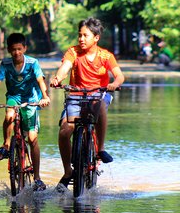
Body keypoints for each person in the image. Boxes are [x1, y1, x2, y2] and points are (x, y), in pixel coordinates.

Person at [50, 17, 125, 191]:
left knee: (100, 104)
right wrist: (57, 78)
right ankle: (68, 171)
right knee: (64, 130)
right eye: (79, 35)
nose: (81, 39)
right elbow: (64, 68)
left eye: (86, 35)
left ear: (96, 37)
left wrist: (115, 84)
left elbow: (119, 75)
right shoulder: (73, 52)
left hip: (98, 95)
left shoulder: (106, 56)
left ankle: (100, 149)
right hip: (75, 96)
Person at [0, 33, 50, 191]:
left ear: (25, 48)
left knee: (32, 139)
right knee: (9, 115)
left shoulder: (33, 63)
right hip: (13, 97)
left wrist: (45, 97)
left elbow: (40, 80)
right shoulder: (5, 64)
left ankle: (38, 178)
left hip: (31, 99)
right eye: (13, 50)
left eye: (20, 49)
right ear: (9, 50)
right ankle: (6, 145)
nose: (17, 53)